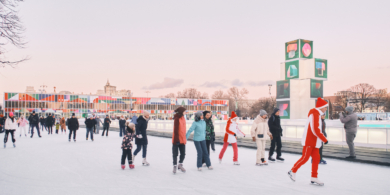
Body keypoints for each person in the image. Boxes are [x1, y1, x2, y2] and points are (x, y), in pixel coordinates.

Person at [288, 97, 329, 186]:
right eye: (325, 107)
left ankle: (314, 177)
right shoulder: (314, 114)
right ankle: (292, 171)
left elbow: (317, 129)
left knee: (316, 159)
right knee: (305, 158)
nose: (326, 108)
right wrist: (324, 139)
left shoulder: (317, 114)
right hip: (309, 141)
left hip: (315, 142)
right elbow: (315, 129)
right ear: (321, 107)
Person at [172, 107, 187, 174]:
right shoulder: (177, 119)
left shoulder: (183, 118)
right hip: (176, 139)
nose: (185, 112)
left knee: (183, 153)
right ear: (181, 111)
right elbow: (176, 130)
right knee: (175, 153)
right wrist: (177, 139)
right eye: (184, 111)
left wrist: (184, 138)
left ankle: (180, 164)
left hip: (182, 138)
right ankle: (175, 165)